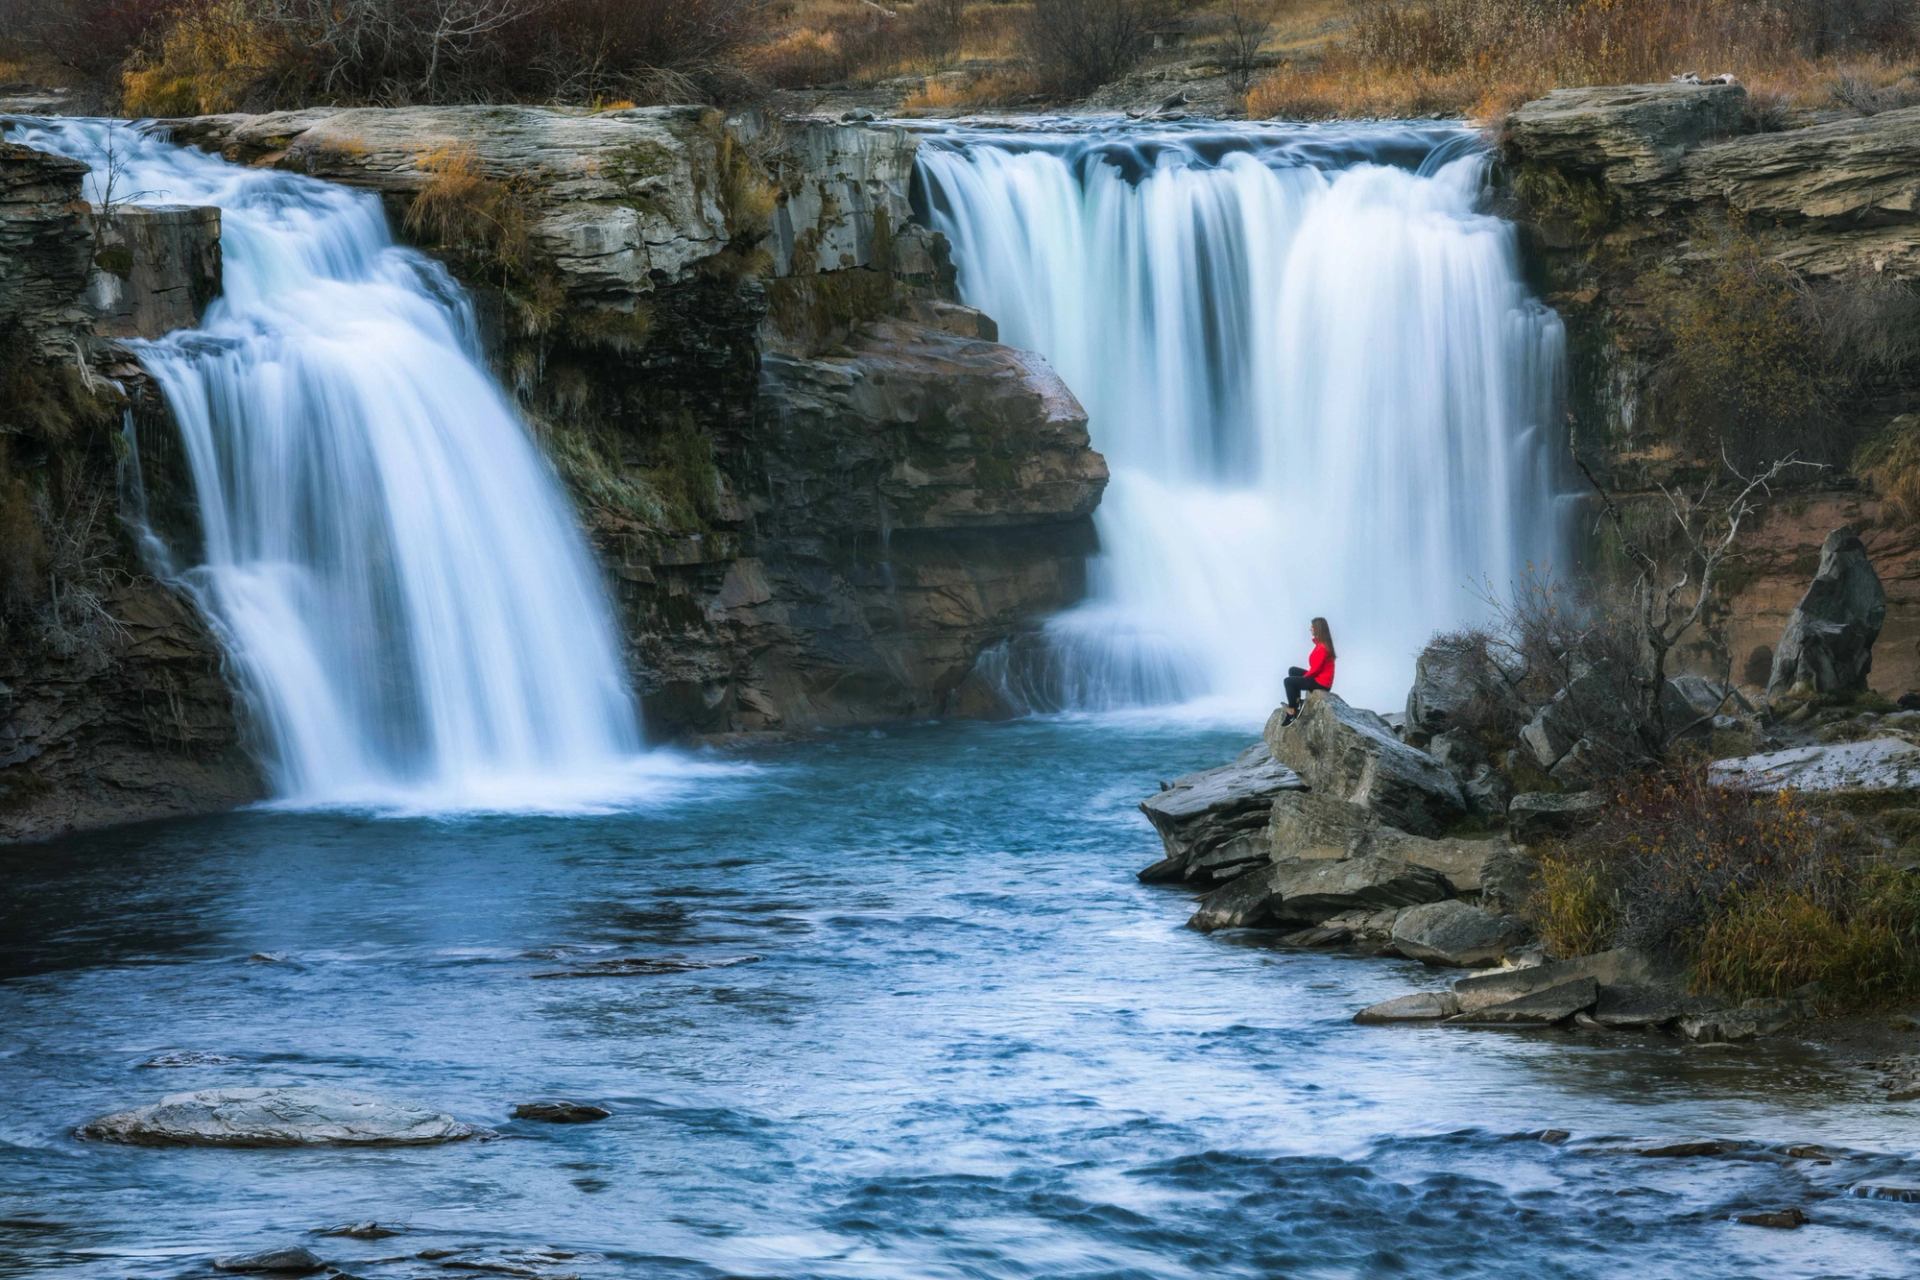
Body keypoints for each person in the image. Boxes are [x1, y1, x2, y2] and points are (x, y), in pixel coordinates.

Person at [1280, 617, 1336, 725]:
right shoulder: (1321, 644)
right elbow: (1316, 669)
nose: (1310, 629)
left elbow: (1315, 669)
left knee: (1288, 681)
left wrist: (1302, 679)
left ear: (1318, 629)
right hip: (1319, 678)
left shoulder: (1322, 648)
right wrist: (1302, 679)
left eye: (1312, 627)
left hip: (1321, 683)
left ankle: (1292, 711)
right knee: (1293, 670)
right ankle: (1297, 703)